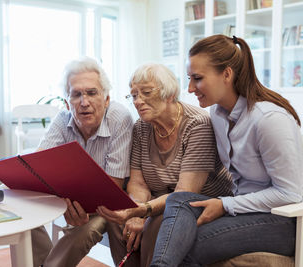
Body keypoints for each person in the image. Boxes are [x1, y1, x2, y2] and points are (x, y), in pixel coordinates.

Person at [150, 34, 303, 266]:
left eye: (197, 78)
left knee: (186, 246)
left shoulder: (269, 119)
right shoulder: (217, 115)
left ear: (226, 74)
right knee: (179, 201)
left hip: (291, 220)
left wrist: (225, 204)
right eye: (189, 78)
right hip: (248, 210)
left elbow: (288, 194)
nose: (189, 88)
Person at [96, 63, 232, 267]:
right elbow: (138, 183)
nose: (138, 101)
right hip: (160, 201)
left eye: (146, 93)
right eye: (133, 95)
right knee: (118, 222)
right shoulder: (141, 127)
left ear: (169, 94)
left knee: (157, 222)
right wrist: (136, 211)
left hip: (196, 203)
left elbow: (184, 193)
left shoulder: (197, 124)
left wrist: (143, 212)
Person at [31, 57, 134, 267]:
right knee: (16, 194)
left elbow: (112, 187)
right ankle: (43, 262)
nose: (84, 102)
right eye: (76, 94)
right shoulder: (63, 119)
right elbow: (36, 168)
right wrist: (67, 203)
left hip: (110, 205)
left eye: (91, 93)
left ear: (106, 99)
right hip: (73, 200)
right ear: (68, 102)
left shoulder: (119, 118)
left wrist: (69, 202)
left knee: (89, 227)